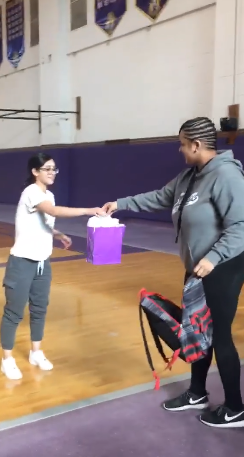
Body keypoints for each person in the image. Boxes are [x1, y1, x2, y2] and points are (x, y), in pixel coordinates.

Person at [103, 117, 244, 429]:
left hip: (222, 267)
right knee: (195, 332)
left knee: (218, 335)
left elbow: (241, 226)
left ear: (196, 144)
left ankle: (235, 408)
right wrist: (120, 203)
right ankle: (197, 393)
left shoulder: (226, 175)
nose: (180, 149)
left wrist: (214, 257)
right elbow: (159, 197)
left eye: (183, 144)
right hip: (198, 269)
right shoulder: (188, 177)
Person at [0, 152, 105, 380]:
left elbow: (41, 222)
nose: (51, 173)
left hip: (42, 263)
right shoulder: (31, 192)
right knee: (14, 312)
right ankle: (7, 360)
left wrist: (57, 234)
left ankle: (36, 352)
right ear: (35, 172)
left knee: (39, 309)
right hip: (21, 263)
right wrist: (89, 210)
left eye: (54, 169)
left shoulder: (49, 195)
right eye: (46, 168)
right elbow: (53, 211)